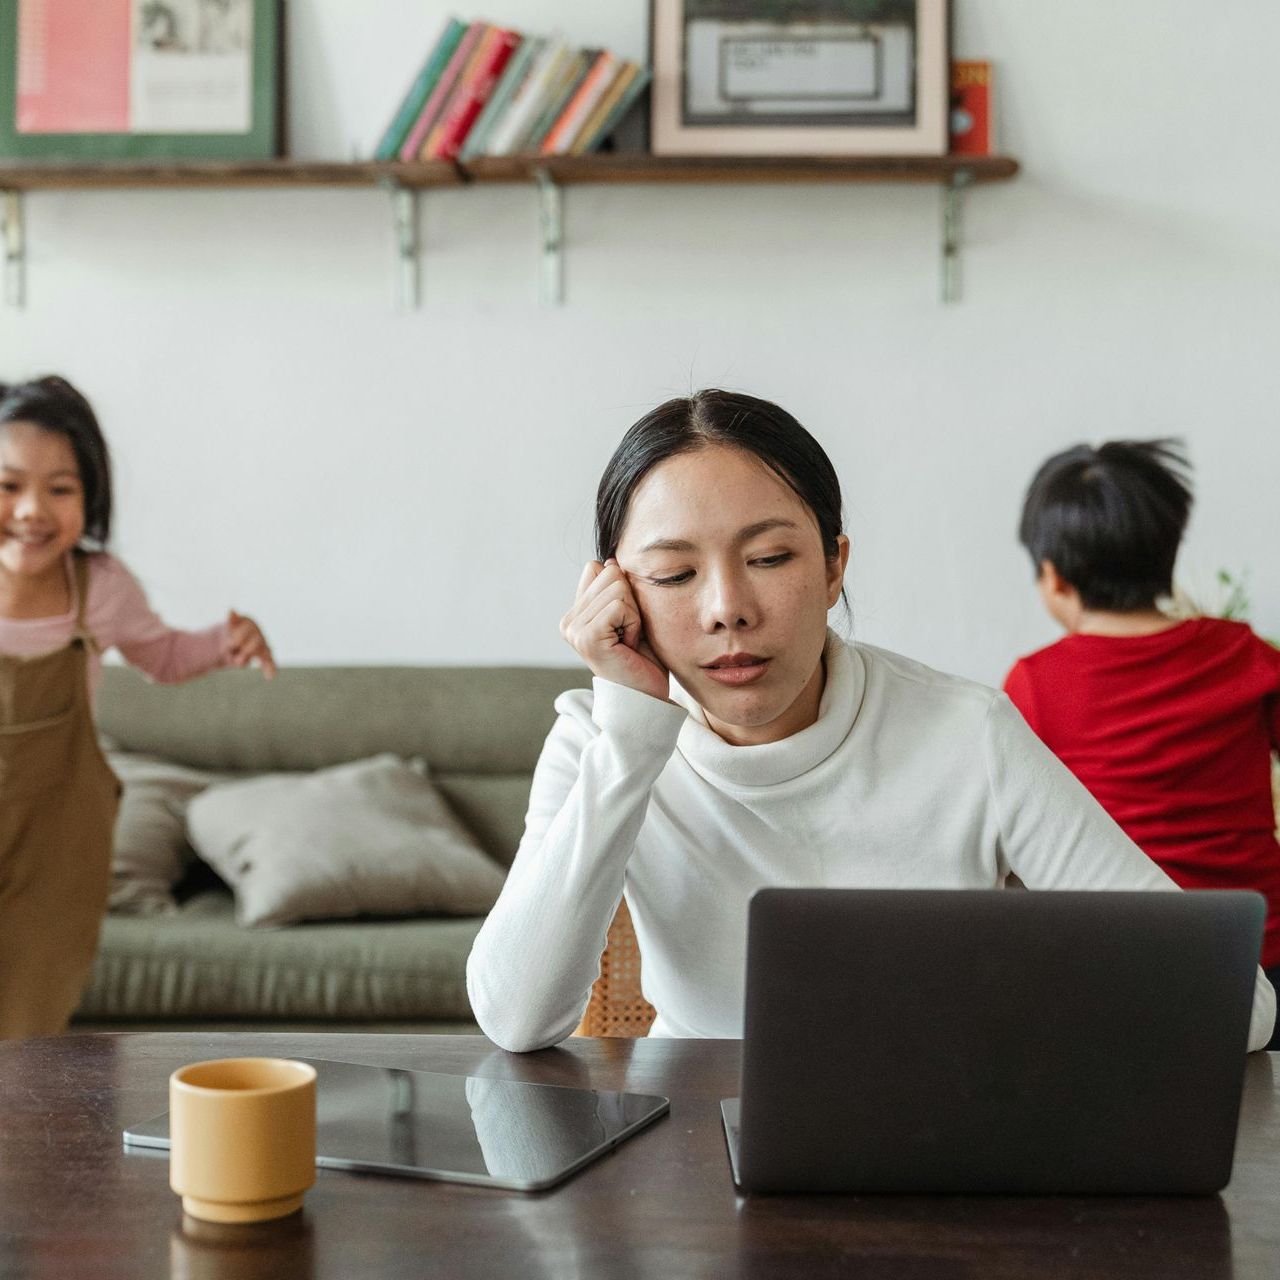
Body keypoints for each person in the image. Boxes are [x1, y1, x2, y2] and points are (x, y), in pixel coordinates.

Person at [466, 391, 1275, 1053]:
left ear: (833, 568)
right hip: (690, 1154)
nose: (727, 611)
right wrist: (631, 734)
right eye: (674, 573)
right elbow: (514, 1018)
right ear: (618, 595)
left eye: (771, 558)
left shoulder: (968, 732)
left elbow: (1238, 1008)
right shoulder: (597, 741)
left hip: (940, 1142)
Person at [0, 375, 275, 1038]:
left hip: (55, 847)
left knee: (25, 1033)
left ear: (90, 497)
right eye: (9, 485)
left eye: (60, 488)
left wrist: (225, 641)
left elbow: (163, 657)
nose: (33, 509)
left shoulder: (99, 589)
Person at [1003, 438, 1280, 1046]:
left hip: (1121, 962)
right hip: (1262, 952)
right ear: (1168, 553)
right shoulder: (1244, 654)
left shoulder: (1034, 683)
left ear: (1053, 575)